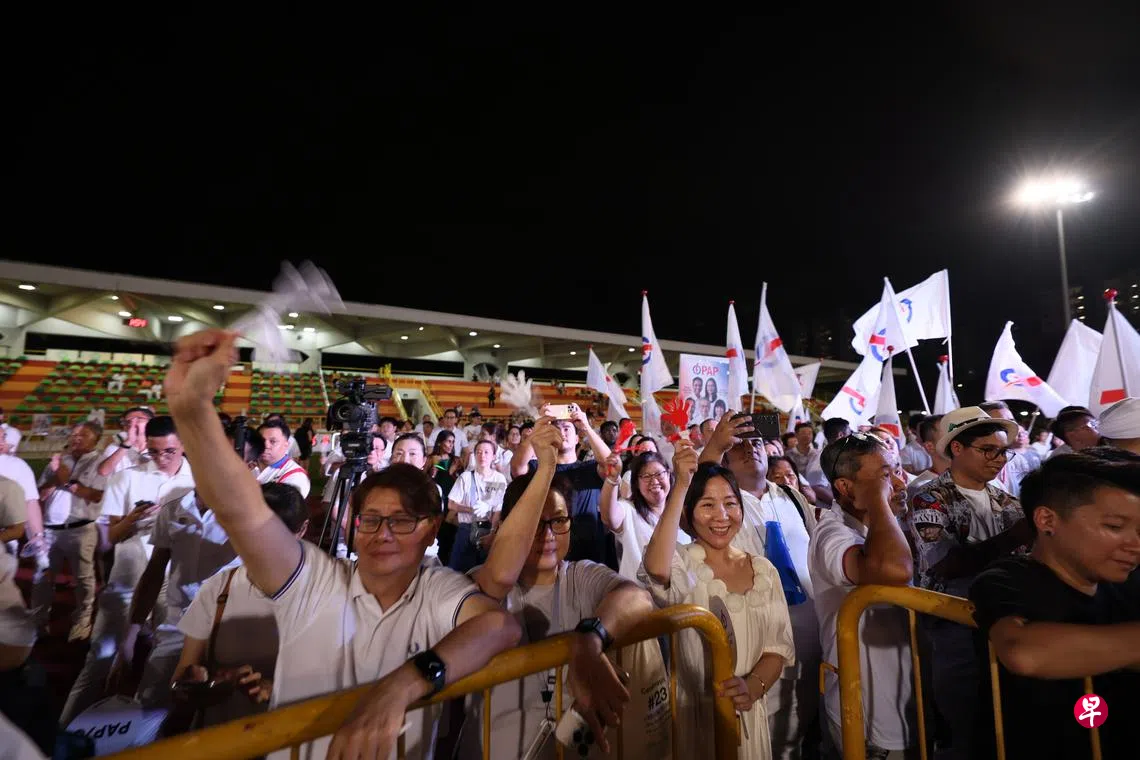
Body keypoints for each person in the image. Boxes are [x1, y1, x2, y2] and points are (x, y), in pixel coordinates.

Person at [164, 328, 521, 760]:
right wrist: (192, 411)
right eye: (370, 519)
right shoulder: (315, 580)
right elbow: (241, 509)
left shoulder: (435, 589)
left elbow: (500, 626)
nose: (382, 534)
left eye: (400, 521)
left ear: (430, 530)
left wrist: (403, 683)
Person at [461, 417, 656, 759]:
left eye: (559, 520)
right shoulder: (478, 583)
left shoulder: (580, 575)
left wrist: (590, 638)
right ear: (510, 525)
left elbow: (637, 598)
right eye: (535, 523)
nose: (548, 534)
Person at [968, 450, 1140, 760]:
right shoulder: (1007, 579)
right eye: (1115, 527)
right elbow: (1023, 651)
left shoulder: (1129, 584)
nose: (1135, 545)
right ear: (1047, 519)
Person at [640, 443, 794, 760]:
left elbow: (777, 648)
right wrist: (681, 484)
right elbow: (655, 567)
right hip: (695, 719)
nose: (722, 516)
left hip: (748, 714)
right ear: (688, 514)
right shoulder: (682, 564)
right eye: (707, 505)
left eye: (730, 503)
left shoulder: (764, 571)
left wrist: (752, 687)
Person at [906, 407, 1031, 760]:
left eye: (1003, 451)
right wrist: (1014, 538)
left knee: (1005, 722)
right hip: (954, 628)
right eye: (988, 450)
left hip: (1005, 622)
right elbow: (945, 563)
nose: (999, 459)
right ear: (957, 448)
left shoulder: (1008, 502)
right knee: (963, 720)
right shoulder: (929, 498)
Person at [61, 415, 196, 726]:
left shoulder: (196, 481)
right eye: (154, 451)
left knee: (163, 661)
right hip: (126, 580)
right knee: (100, 657)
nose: (161, 458)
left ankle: (147, 733)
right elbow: (109, 539)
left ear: (183, 444)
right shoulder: (127, 478)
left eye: (169, 451)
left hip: (172, 581)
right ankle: (64, 729)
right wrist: (133, 519)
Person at [701, 411, 821, 759]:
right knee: (757, 737)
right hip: (756, 650)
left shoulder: (792, 498)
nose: (750, 448)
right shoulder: (721, 506)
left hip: (809, 640)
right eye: (738, 445)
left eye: (756, 442)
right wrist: (713, 448)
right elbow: (694, 493)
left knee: (798, 731)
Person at [810, 433, 916, 759]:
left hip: (901, 699)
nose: (898, 482)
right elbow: (894, 570)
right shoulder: (832, 534)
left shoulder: (879, 525)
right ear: (845, 487)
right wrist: (877, 500)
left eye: (896, 470)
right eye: (884, 476)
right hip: (869, 715)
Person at [171, 483, 310, 729]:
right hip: (220, 736)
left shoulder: (322, 593)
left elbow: (343, 680)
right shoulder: (218, 589)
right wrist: (206, 683)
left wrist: (275, 689)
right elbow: (182, 680)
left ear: (302, 530)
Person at [511, 403, 615, 568]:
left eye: (567, 428)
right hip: (549, 552)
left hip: (589, 557)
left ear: (577, 439)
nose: (562, 433)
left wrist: (586, 427)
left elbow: (611, 464)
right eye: (556, 429)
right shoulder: (539, 468)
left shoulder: (590, 468)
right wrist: (537, 430)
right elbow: (517, 467)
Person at [31, 421, 106, 641]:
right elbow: (41, 494)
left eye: (83, 435)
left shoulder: (100, 463)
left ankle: (82, 621)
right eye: (73, 434)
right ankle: (38, 621)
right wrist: (57, 475)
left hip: (80, 530)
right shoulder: (59, 461)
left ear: (96, 439)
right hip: (49, 529)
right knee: (43, 577)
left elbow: (95, 495)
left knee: (84, 580)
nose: (76, 438)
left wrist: (66, 478)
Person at [599, 450, 689, 581]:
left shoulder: (681, 512)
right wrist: (612, 479)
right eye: (646, 476)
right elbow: (608, 517)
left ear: (669, 475)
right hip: (638, 592)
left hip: (681, 592)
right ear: (636, 483)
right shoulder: (629, 510)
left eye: (659, 474)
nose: (654, 481)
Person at [447, 440, 507, 573]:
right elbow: (451, 504)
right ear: (474, 455)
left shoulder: (498, 479)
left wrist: (492, 533)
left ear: (493, 456)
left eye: (486, 452)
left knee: (484, 573)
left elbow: (497, 509)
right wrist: (471, 509)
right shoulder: (466, 477)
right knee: (457, 573)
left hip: (487, 530)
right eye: (478, 452)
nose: (482, 456)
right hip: (466, 530)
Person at [979, 402, 1037, 497]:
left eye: (1011, 421)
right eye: (1000, 423)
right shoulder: (973, 461)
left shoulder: (1018, 460)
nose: (1009, 426)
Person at [254, 419, 311, 498]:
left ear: (286, 445)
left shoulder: (296, 476)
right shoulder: (247, 465)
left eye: (273, 441)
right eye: (261, 440)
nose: (266, 446)